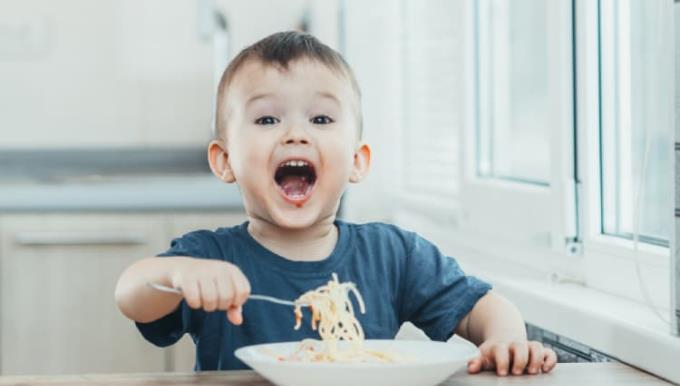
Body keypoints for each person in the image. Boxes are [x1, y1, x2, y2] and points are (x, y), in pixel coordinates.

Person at [115, 31, 557, 376]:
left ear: (357, 162)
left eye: (321, 119)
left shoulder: (393, 255)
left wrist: (504, 339)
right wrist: (177, 274)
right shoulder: (211, 257)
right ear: (225, 160)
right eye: (267, 119)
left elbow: (484, 307)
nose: (295, 134)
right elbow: (132, 294)